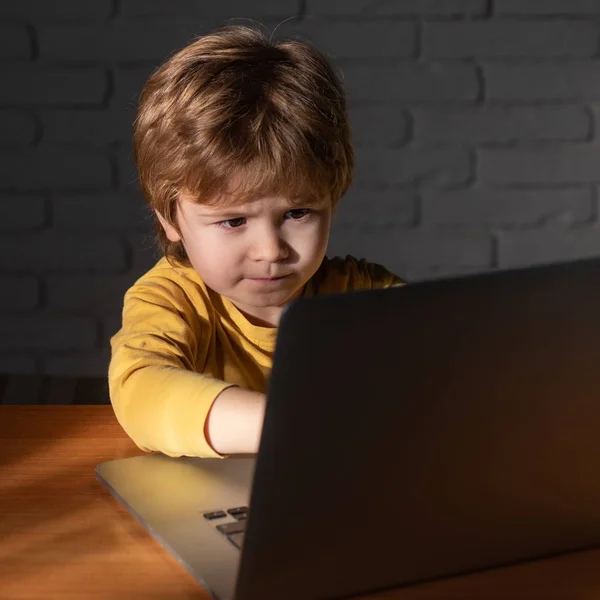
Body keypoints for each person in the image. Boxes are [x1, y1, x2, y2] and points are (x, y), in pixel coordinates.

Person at [108, 24, 404, 459]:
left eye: (297, 213)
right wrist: (296, 425)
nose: (271, 250)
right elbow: (141, 389)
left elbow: (449, 363)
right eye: (232, 221)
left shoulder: (361, 295)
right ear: (170, 219)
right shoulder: (170, 301)